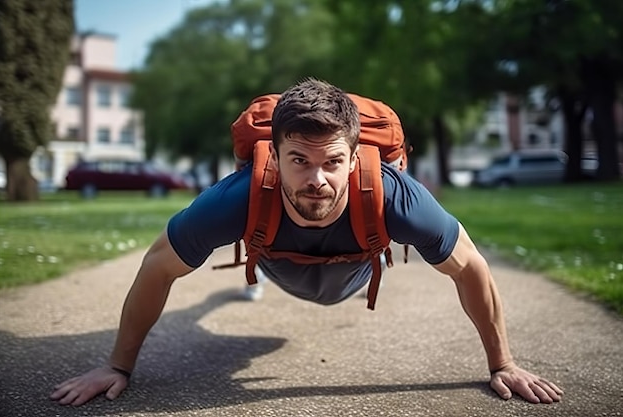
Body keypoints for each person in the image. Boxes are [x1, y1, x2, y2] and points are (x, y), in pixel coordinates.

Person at [51, 78, 563, 407]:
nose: (316, 177)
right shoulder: (234, 200)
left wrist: (503, 364)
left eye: (332, 161)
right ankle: (252, 285)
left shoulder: (395, 197)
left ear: (354, 154)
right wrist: (116, 365)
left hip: (356, 264)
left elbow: (470, 266)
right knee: (245, 246)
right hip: (275, 258)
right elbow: (158, 264)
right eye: (299, 159)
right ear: (274, 153)